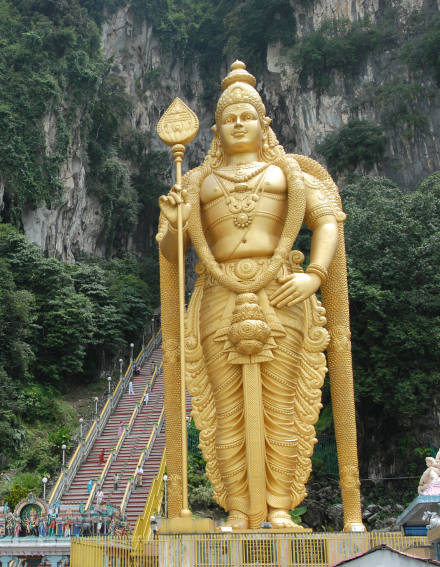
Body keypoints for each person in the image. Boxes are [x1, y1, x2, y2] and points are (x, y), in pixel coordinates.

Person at [156, 60, 362, 530]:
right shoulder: (196, 182)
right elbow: (172, 252)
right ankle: (238, 510)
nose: (238, 124)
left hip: (282, 289)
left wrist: (314, 274)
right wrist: (174, 221)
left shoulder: (288, 173)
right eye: (229, 118)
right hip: (218, 294)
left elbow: (327, 221)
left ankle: (280, 508)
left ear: (263, 122)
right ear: (216, 130)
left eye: (247, 115)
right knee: (226, 409)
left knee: (281, 404)